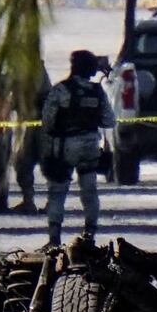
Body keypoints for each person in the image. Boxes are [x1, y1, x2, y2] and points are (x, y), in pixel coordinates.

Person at [41, 50, 114, 249]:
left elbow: (47, 121)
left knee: (57, 191)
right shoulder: (97, 91)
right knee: (89, 191)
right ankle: (89, 235)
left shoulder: (61, 90)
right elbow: (109, 121)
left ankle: (54, 239)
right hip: (90, 144)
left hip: (65, 146)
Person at [11, 70, 52, 214]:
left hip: (42, 123)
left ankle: (52, 203)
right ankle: (28, 201)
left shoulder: (33, 69)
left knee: (47, 164)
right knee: (23, 163)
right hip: (30, 123)